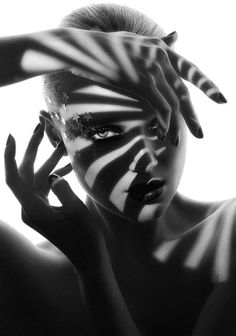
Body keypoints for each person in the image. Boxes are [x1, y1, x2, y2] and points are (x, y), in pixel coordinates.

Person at [0, 3, 234, 336]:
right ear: (56, 135)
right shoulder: (20, 268)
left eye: (158, 126)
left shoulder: (228, 236)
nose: (148, 160)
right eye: (104, 132)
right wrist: (62, 48)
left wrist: (92, 270)